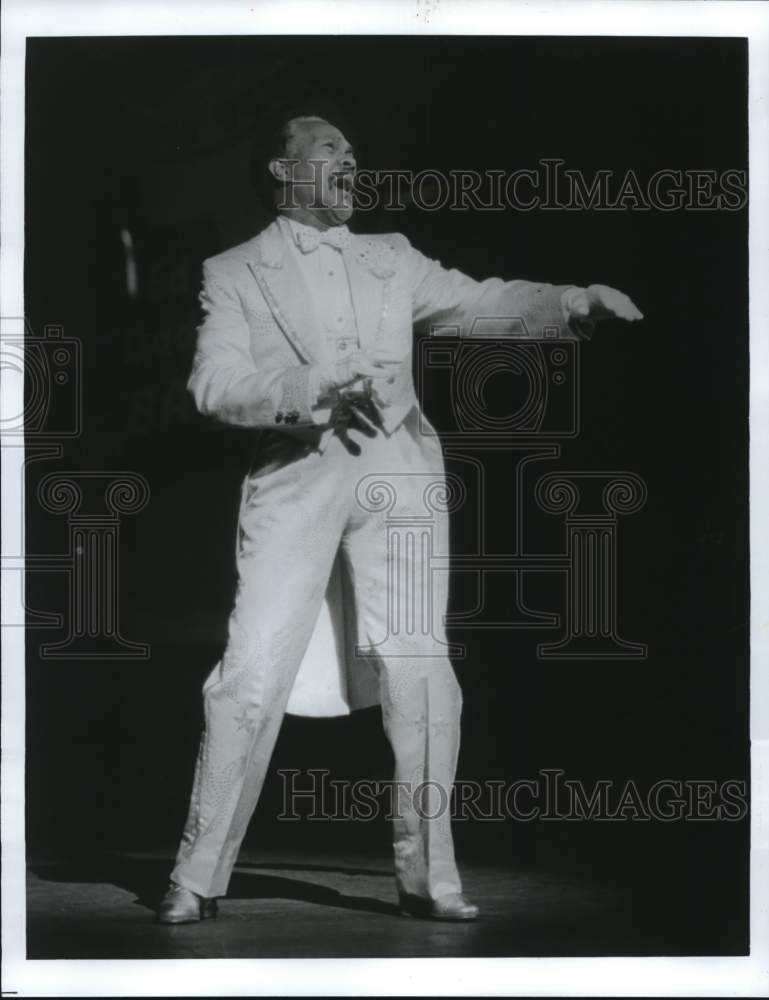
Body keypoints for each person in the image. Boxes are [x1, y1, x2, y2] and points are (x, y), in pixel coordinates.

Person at [156, 113, 643, 924]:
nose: (349, 157)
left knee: (421, 672)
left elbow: (479, 304)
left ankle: (429, 880)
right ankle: (195, 875)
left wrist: (572, 303)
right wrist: (308, 386)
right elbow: (214, 384)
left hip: (399, 476)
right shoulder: (235, 270)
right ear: (282, 171)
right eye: (327, 149)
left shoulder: (391, 257)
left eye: (350, 149)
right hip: (298, 473)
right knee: (250, 670)